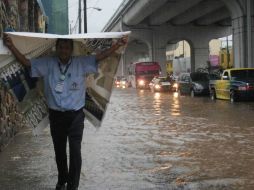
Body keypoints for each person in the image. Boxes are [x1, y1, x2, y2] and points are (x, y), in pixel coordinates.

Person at [3, 33, 127, 190]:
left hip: (76, 116)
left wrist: (117, 45)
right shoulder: (47, 63)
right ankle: (62, 180)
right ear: (56, 48)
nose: (63, 50)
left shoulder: (81, 63)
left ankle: (72, 186)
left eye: (67, 47)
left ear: (71, 49)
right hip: (56, 116)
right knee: (59, 151)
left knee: (75, 152)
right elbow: (27, 64)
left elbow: (99, 57)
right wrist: (11, 46)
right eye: (61, 47)